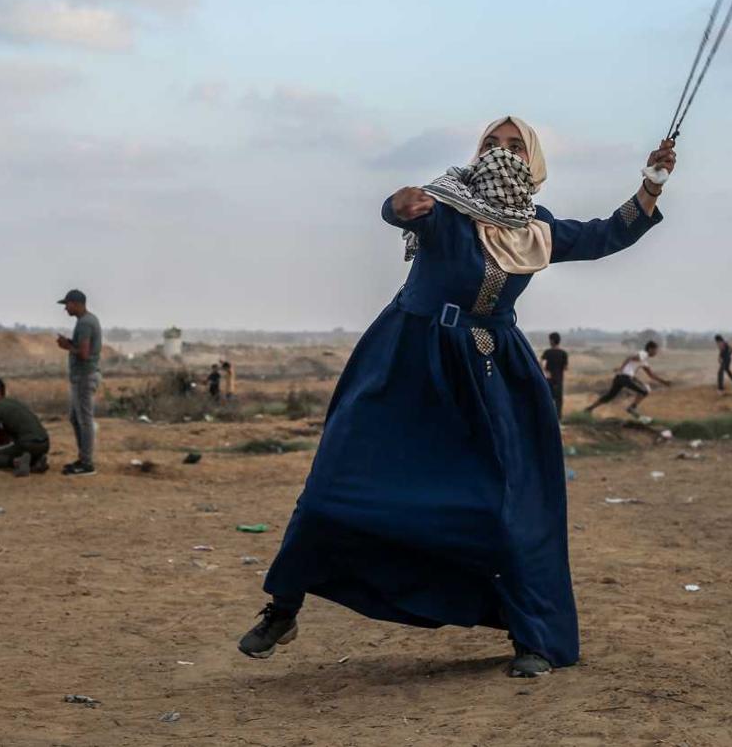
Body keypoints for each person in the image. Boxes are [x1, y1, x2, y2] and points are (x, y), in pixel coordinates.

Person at [239, 117, 676, 678]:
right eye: (491, 144)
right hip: (406, 362)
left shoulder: (538, 229)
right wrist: (396, 204)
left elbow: (608, 233)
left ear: (534, 162)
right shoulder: (444, 205)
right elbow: (398, 208)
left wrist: (652, 183)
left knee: (506, 504)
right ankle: (284, 607)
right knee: (334, 483)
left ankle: (534, 637)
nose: (500, 153)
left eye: (515, 147)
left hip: (491, 374)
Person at [56, 289, 102, 477]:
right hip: (83, 376)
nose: (65, 308)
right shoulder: (87, 321)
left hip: (84, 376)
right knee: (76, 419)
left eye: (67, 304)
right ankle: (83, 458)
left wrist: (67, 346)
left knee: (84, 420)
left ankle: (87, 463)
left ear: (76, 303)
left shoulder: (84, 323)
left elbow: (83, 353)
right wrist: (69, 343)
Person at [0, 379, 51, 476]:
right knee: (22, 451)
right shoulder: (13, 402)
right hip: (45, 444)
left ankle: (17, 462)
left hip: (28, 444)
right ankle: (36, 460)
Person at [583, 342, 670, 416]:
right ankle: (631, 408)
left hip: (619, 377)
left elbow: (651, 375)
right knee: (645, 391)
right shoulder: (644, 354)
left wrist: (664, 382)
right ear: (650, 349)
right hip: (625, 377)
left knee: (610, 396)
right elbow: (629, 357)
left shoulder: (644, 361)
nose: (656, 353)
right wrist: (621, 368)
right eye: (656, 350)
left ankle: (589, 408)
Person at [540, 333, 569, 419]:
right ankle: (558, 419)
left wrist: (546, 371)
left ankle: (547, 418)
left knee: (548, 400)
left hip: (549, 379)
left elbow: (541, 364)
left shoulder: (547, 352)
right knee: (558, 401)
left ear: (552, 341)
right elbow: (566, 367)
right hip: (559, 380)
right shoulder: (564, 353)